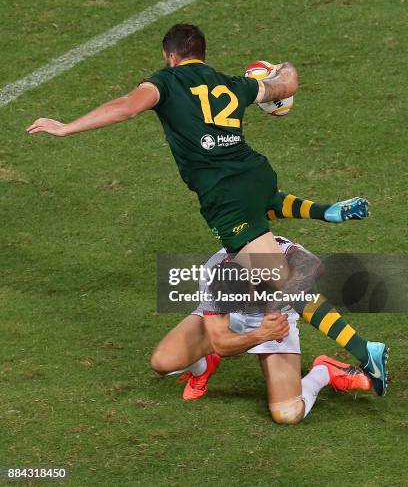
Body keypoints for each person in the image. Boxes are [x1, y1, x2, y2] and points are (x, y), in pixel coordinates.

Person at [27, 24, 385, 390]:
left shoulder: (165, 82)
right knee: (268, 217)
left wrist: (67, 127)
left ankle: (365, 350)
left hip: (226, 196)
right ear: (203, 52)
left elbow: (126, 107)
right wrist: (282, 68)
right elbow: (288, 84)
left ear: (170, 56)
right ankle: (328, 212)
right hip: (256, 175)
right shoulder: (233, 83)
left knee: (287, 285)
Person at [151, 235, 374, 422]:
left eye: (245, 299)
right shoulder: (213, 276)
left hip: (276, 318)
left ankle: (325, 371)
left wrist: (273, 308)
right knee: (162, 362)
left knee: (288, 413)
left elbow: (313, 266)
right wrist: (260, 334)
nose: (245, 304)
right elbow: (220, 343)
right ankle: (202, 368)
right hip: (241, 323)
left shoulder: (270, 256)